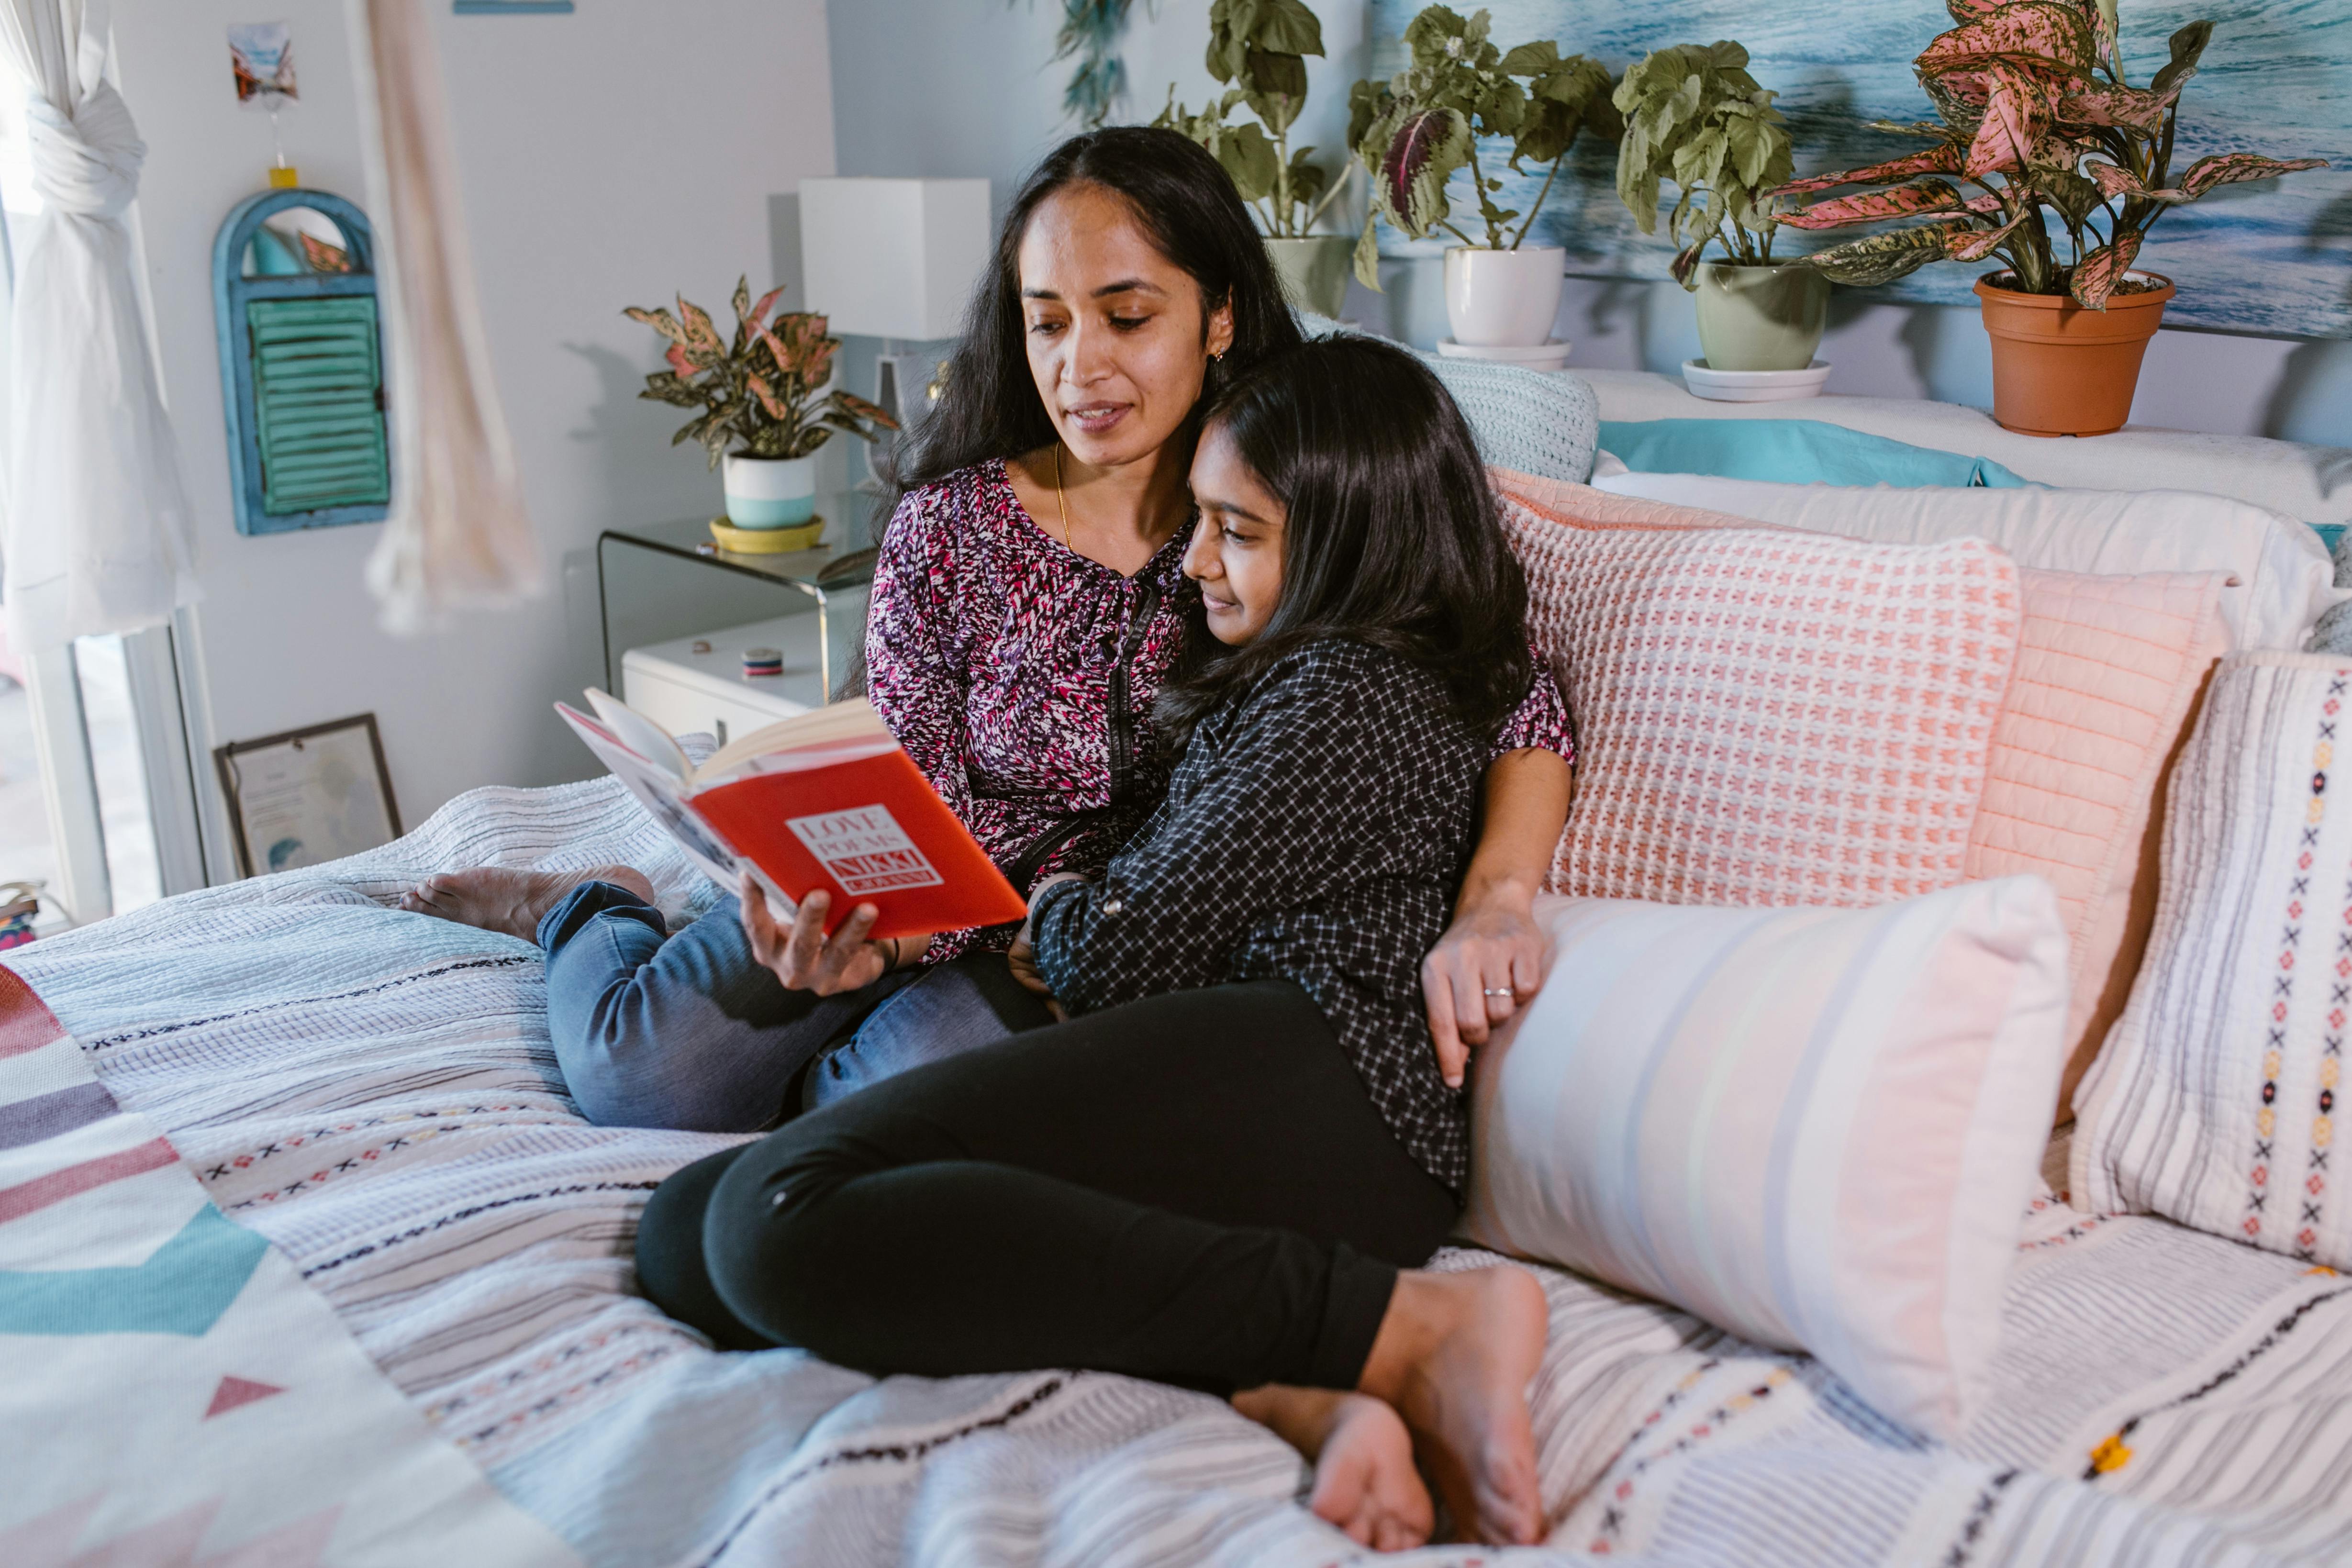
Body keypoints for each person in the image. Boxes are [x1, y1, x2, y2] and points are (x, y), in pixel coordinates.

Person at [400, 124, 1570, 1155]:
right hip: (905, 914)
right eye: (1046, 321)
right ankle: (588, 909)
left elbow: (1505, 692)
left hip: (1073, 950)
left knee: (886, 1116)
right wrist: (861, 940)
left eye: (1127, 315)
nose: (1078, 366)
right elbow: (906, 787)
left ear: (1219, 314)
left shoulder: (1286, 507)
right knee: (636, 1075)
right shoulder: (951, 527)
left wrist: (1498, 900)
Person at [635, 339, 1557, 1549]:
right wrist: (1085, 910)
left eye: (1237, 531)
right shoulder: (1311, 676)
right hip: (1256, 1087)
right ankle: (1291, 1386)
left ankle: (1414, 1326)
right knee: (685, 1233)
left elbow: (1107, 954)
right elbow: (1128, 940)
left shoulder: (1342, 697)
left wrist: (1067, 887)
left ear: (1347, 545)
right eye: (1201, 523)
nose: (1195, 561)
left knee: (772, 1212)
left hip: (1329, 1082)